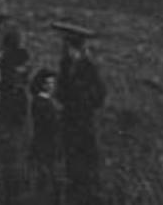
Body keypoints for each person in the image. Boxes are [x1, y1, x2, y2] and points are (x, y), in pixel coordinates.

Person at [55, 23, 106, 205]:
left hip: (83, 123)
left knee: (86, 163)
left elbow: (100, 94)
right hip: (69, 121)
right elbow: (60, 91)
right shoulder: (65, 64)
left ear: (74, 48)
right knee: (71, 162)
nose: (65, 51)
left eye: (67, 47)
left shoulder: (89, 67)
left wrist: (82, 102)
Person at [0, 26, 30, 204]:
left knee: (11, 154)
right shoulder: (12, 63)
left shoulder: (9, 61)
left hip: (11, 114)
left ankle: (11, 192)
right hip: (12, 115)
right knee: (13, 154)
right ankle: (12, 192)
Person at [28, 67, 62, 204]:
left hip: (46, 143)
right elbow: (49, 125)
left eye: (52, 83)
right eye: (48, 83)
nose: (51, 86)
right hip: (45, 143)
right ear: (41, 85)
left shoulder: (45, 102)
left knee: (49, 176)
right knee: (48, 176)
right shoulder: (41, 102)